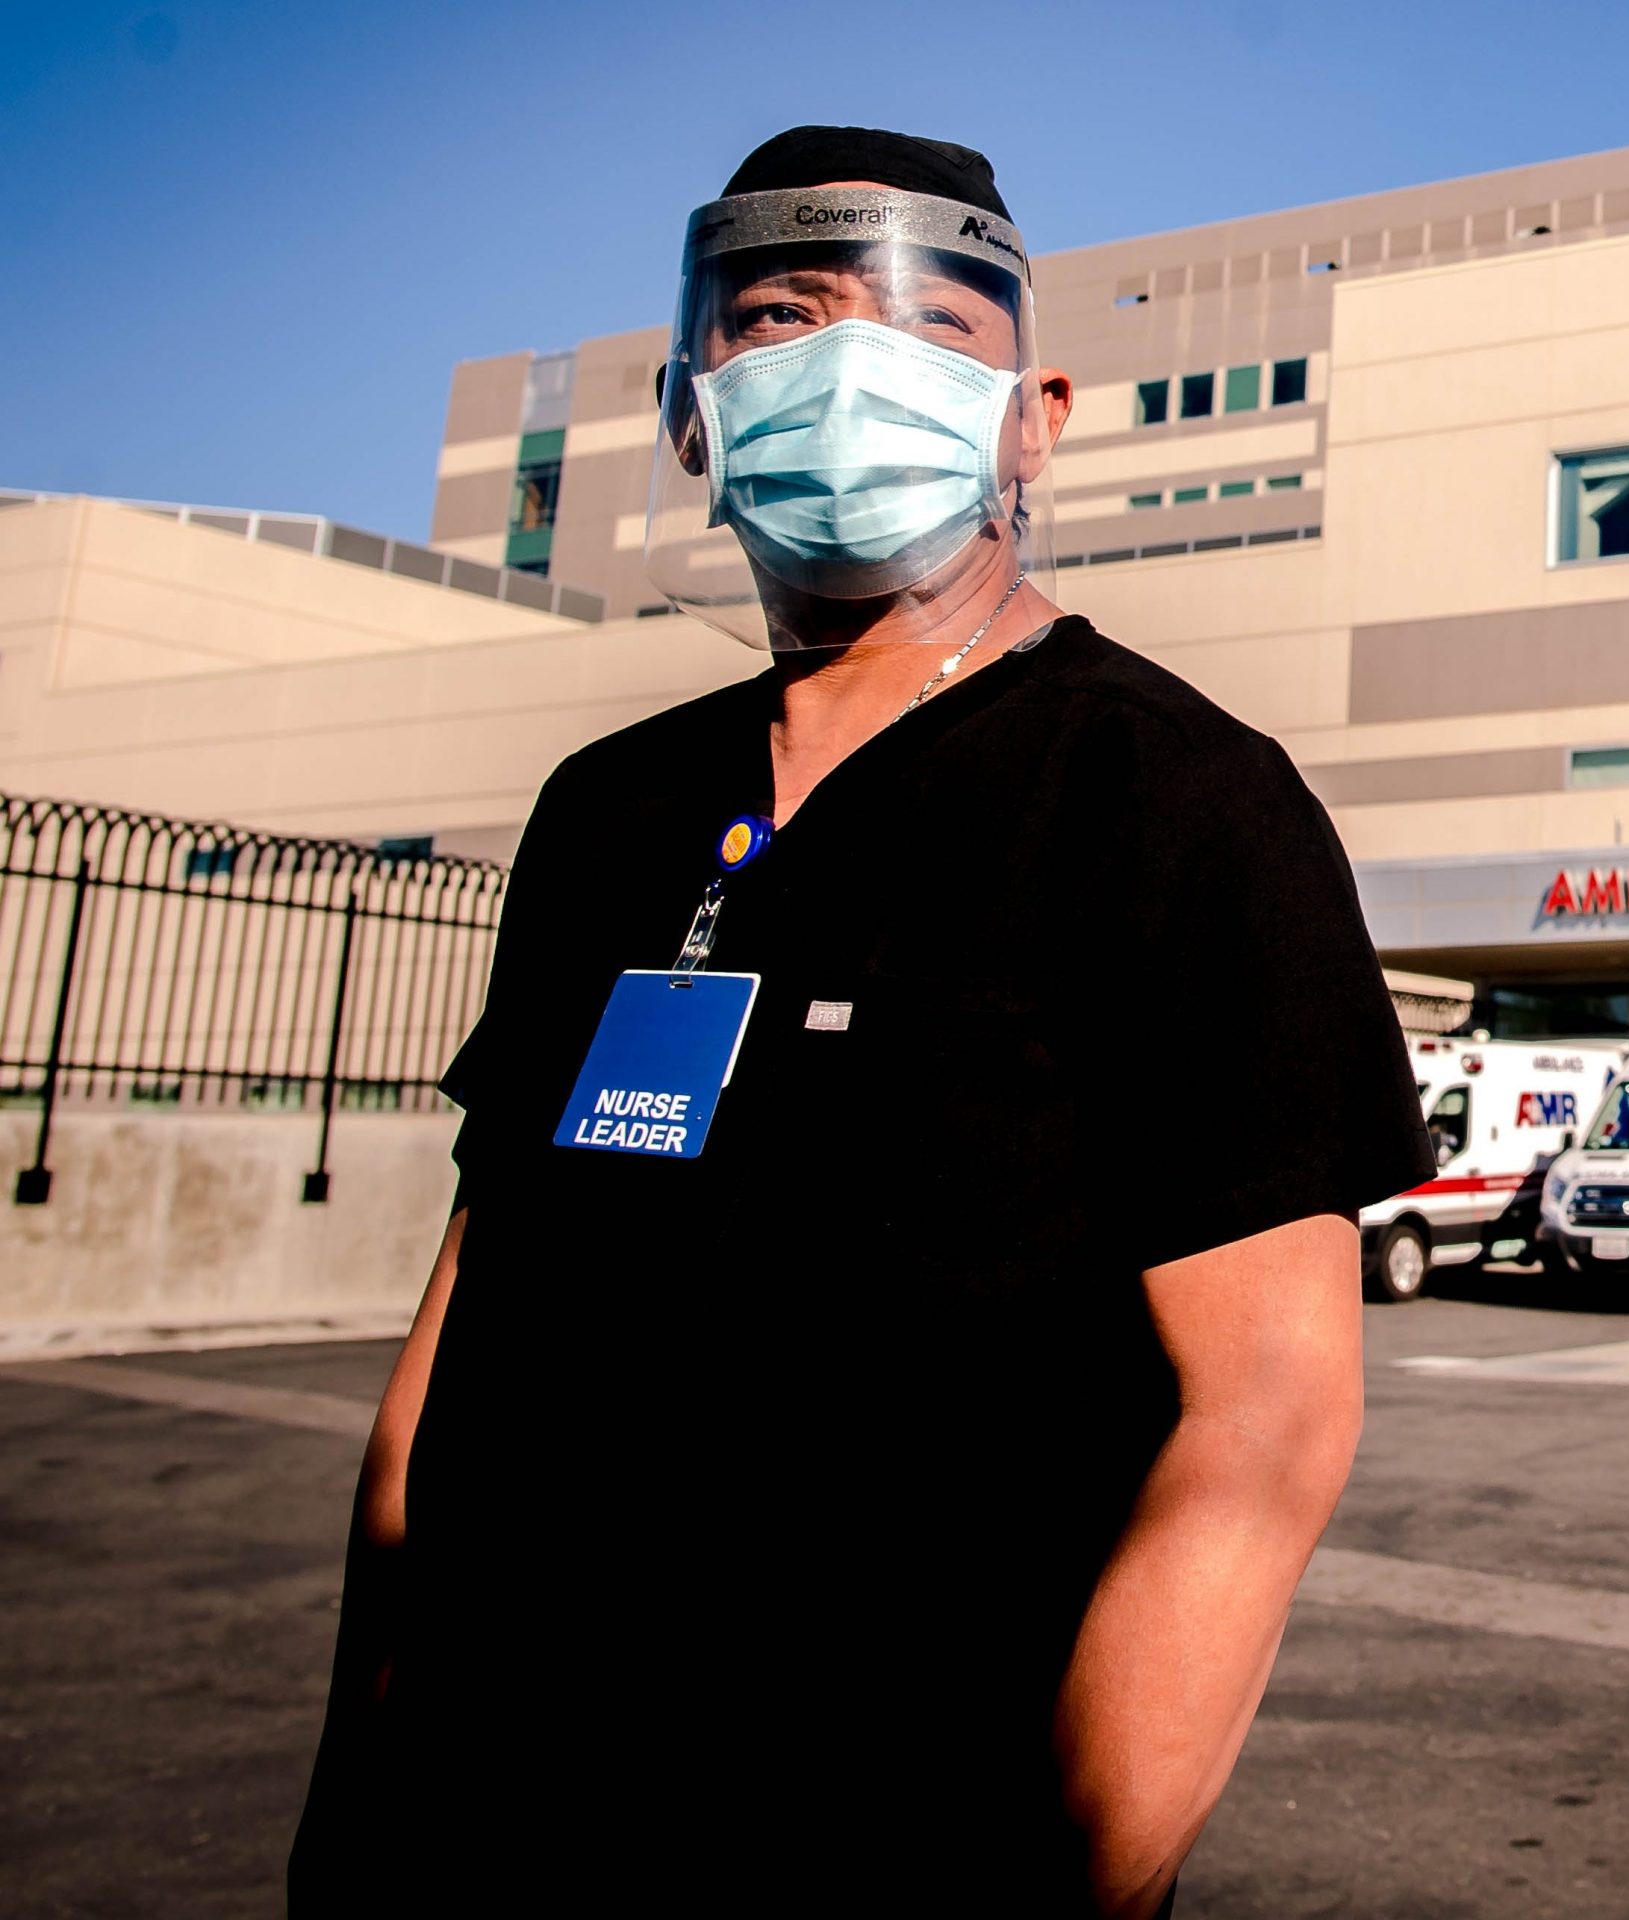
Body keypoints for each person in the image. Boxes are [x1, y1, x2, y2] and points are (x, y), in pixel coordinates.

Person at [289, 126, 1430, 1917]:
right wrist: (351, 1810)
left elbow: (1267, 1426)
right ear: (691, 410)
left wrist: (1074, 1880)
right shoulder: (612, 811)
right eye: (774, 319)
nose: (845, 374)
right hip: (483, 1832)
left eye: (929, 336)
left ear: (1032, 414)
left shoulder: (1174, 800)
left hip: (896, 1842)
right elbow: (460, 1336)